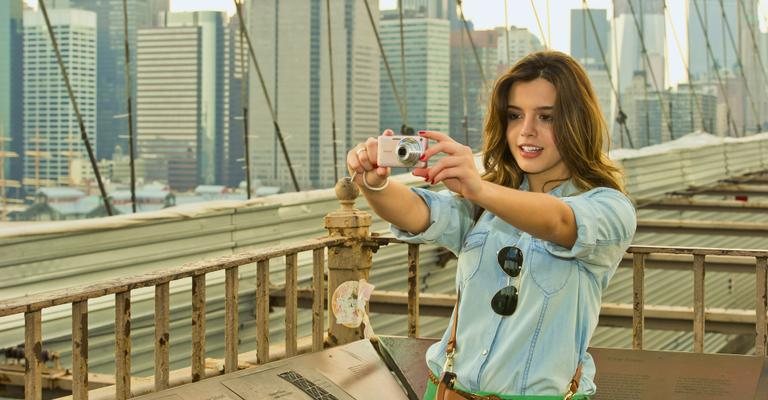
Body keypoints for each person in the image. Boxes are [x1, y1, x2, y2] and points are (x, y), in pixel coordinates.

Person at [346, 51, 637, 399]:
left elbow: (559, 220)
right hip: (447, 391)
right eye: (515, 116)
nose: (526, 131)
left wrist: (479, 188)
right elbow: (418, 212)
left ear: (577, 123)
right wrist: (373, 182)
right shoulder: (485, 204)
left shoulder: (609, 208)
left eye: (547, 117)